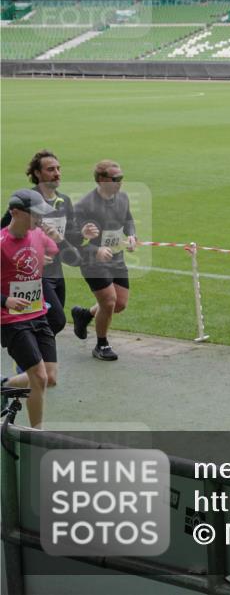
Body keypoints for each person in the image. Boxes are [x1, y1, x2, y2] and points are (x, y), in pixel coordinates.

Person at [1, 150, 83, 385]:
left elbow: (71, 240)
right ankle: (28, 366)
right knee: (54, 318)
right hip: (31, 276)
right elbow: (6, 232)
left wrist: (81, 237)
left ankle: (31, 365)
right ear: (37, 174)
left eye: (58, 168)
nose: (57, 173)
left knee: (54, 322)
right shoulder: (26, 202)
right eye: (50, 169)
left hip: (56, 271)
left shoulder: (63, 201)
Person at [1, 190, 62, 427]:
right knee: (39, 377)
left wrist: (57, 241)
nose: (39, 219)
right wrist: (5, 300)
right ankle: (36, 435)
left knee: (51, 377)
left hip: (38, 314)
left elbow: (67, 255)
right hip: (10, 319)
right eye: (35, 214)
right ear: (15, 213)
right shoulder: (1, 243)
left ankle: (4, 385)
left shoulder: (38, 234)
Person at [71, 160, 136, 362]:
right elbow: (72, 238)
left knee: (120, 304)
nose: (120, 183)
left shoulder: (123, 198)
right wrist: (95, 250)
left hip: (116, 258)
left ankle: (85, 315)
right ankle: (101, 344)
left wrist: (132, 236)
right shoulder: (84, 206)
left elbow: (128, 220)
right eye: (115, 179)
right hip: (92, 262)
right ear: (101, 179)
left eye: (121, 178)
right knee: (108, 302)